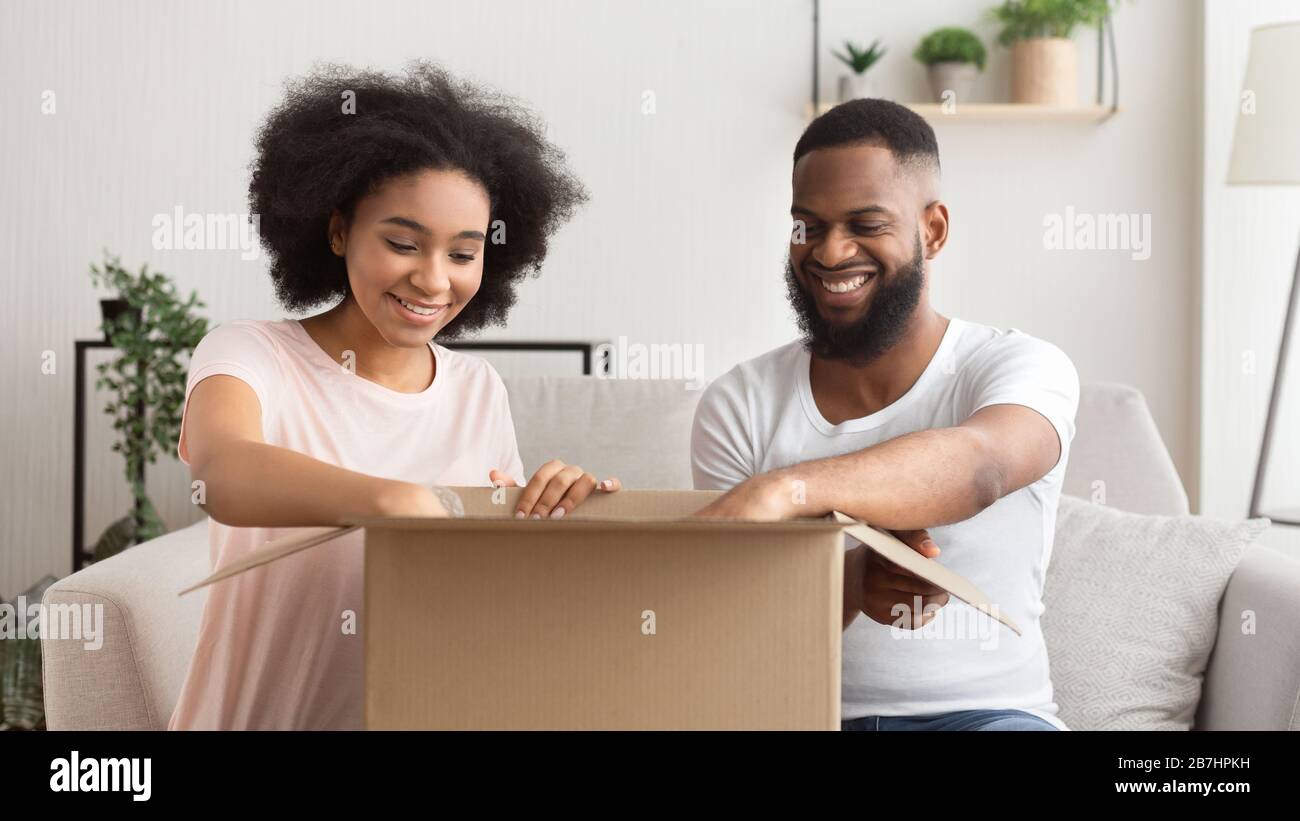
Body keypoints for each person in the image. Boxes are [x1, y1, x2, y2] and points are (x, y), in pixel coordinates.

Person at [169, 62, 615, 730]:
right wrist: (395, 501)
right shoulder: (249, 354)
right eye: (402, 242)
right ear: (339, 229)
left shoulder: (476, 391)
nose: (433, 280)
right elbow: (221, 472)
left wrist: (551, 521)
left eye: (463, 254)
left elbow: (491, 606)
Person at [691, 98, 1079, 731]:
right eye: (807, 226)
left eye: (865, 224)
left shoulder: (1020, 367)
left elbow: (980, 468)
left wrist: (788, 490)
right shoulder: (739, 402)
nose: (830, 253)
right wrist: (850, 585)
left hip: (988, 718)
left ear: (933, 230)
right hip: (801, 716)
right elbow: (730, 616)